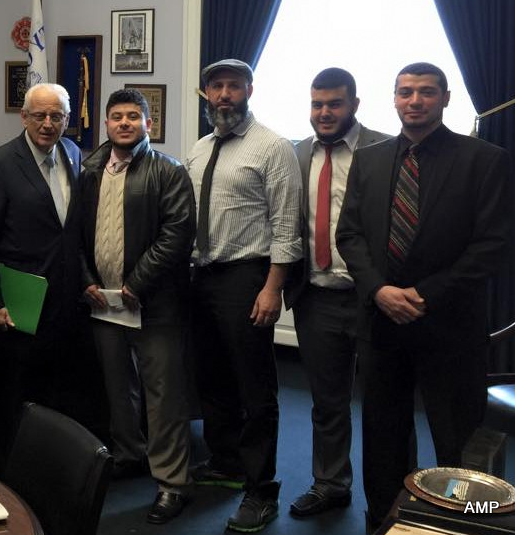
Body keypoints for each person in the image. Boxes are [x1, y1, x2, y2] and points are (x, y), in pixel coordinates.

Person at [336, 62, 510, 527]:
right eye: (406, 92)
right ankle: (385, 521)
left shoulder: (485, 159)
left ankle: (462, 524)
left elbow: (492, 246)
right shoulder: (369, 159)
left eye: (426, 92)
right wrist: (379, 291)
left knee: (456, 442)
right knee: (383, 438)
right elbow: (349, 235)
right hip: (381, 326)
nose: (415, 101)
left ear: (446, 98)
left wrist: (422, 295)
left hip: (450, 328)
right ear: (393, 99)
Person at [185, 58, 302, 532]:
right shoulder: (198, 149)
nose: (225, 94)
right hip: (200, 277)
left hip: (247, 277)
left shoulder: (273, 147)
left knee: (256, 387)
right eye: (217, 86)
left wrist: (273, 287)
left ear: (249, 89)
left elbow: (286, 224)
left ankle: (261, 490)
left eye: (234, 85)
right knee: (211, 377)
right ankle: (226, 463)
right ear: (207, 92)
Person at [81, 88, 195, 524]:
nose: (124, 123)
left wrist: (138, 283)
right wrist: (88, 281)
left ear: (149, 123)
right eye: (116, 117)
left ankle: (172, 482)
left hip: (153, 303)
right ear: (105, 124)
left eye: (133, 116)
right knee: (117, 388)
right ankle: (129, 454)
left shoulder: (168, 171)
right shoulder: (90, 169)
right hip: (104, 302)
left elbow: (178, 235)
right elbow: (75, 235)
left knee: (162, 395)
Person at [283, 68, 391, 517]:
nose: (324, 113)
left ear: (355, 105)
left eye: (334, 104)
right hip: (316, 297)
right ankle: (331, 483)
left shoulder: (386, 149)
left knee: (387, 404)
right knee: (327, 402)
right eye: (317, 104)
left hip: (374, 301)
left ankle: (389, 497)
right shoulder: (295, 153)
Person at [0, 82, 98, 473]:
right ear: (23, 117)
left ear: (67, 120)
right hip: (19, 304)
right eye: (39, 115)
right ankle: (10, 476)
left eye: (57, 116)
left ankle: (51, 469)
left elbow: (72, 232)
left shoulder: (74, 154)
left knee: (59, 390)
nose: (48, 123)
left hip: (66, 301)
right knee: (16, 395)